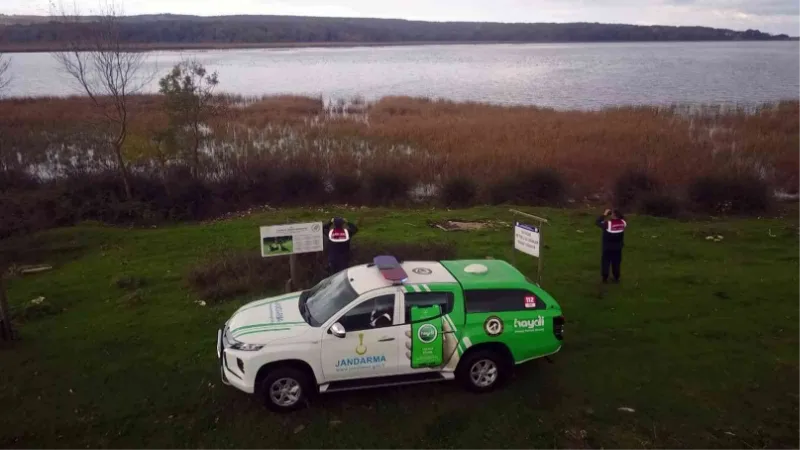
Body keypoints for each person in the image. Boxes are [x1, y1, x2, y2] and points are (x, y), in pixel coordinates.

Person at [596, 208, 627, 284]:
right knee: (616, 262)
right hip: (618, 247)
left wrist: (604, 214)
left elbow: (597, 222)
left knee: (606, 262)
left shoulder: (608, 224)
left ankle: (605, 278)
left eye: (612, 214)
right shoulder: (623, 223)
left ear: (614, 215)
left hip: (608, 247)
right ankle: (616, 277)